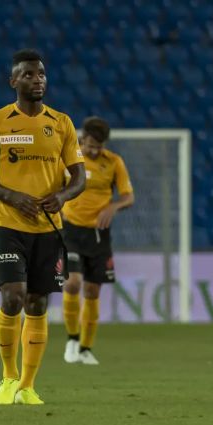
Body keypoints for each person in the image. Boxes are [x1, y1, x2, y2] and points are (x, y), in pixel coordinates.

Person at [0, 49, 86, 405]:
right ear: (14, 81)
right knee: (13, 297)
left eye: (41, 75)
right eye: (29, 75)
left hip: (49, 227)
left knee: (37, 305)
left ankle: (28, 386)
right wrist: (11, 195)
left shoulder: (62, 123)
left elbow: (79, 177)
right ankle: (8, 376)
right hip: (8, 223)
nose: (37, 80)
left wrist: (64, 196)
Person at [61, 116, 134, 365]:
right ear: (82, 139)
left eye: (98, 146)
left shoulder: (114, 162)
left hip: (98, 234)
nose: (93, 150)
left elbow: (128, 196)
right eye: (90, 144)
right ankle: (71, 339)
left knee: (92, 290)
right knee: (72, 283)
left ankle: (85, 348)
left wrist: (114, 207)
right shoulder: (68, 159)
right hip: (70, 230)